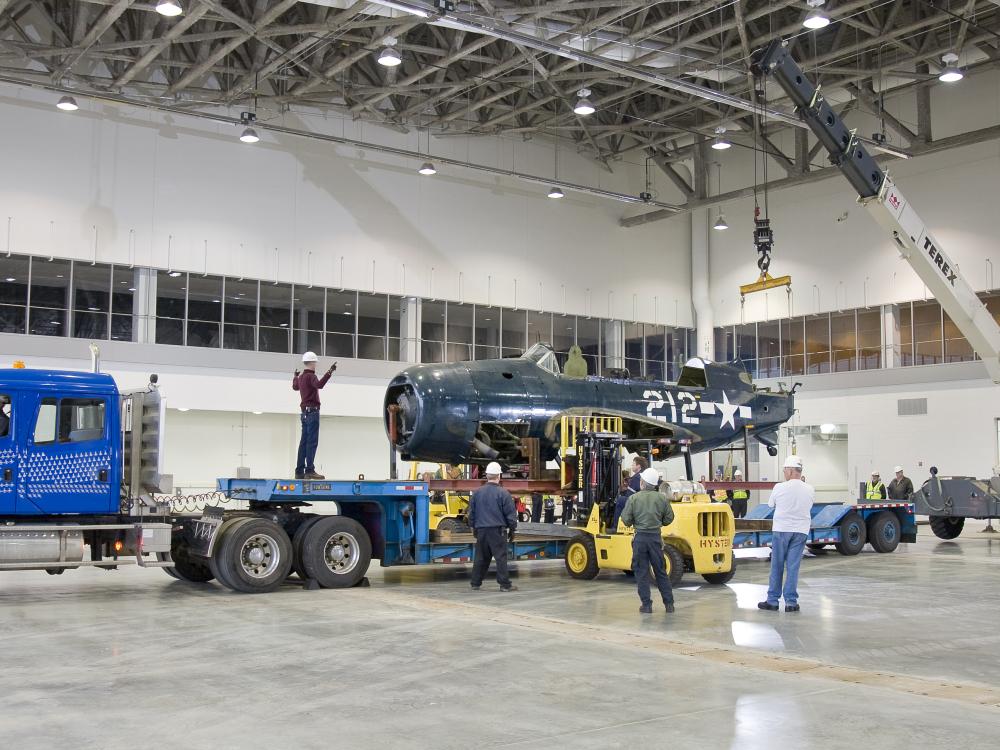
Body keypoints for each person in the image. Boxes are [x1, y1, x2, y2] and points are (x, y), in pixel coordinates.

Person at [758, 455, 815, 613]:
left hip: (782, 529)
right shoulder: (809, 488)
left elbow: (771, 505)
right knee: (793, 566)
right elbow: (809, 506)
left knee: (777, 565)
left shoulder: (779, 487)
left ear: (790, 471)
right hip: (801, 531)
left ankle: (772, 601)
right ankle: (791, 602)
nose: (784, 473)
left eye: (784, 470)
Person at [621, 467, 675, 614]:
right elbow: (669, 518)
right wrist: (658, 522)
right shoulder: (662, 498)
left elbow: (626, 520)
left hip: (640, 539)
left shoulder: (633, 498)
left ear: (643, 483)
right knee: (660, 571)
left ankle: (647, 605)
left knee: (642, 572)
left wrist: (635, 521)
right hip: (655, 538)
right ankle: (669, 604)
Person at [468, 461, 518, 592]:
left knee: (480, 558)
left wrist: (473, 528)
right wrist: (513, 529)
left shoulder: (477, 493)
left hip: (481, 530)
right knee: (501, 558)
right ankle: (504, 585)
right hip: (497, 531)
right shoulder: (503, 493)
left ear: (487, 476)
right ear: (499, 476)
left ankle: (475, 583)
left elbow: (471, 513)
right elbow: (510, 514)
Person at [292, 351, 335, 479]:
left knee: (303, 442)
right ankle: (310, 470)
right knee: (312, 442)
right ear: (311, 363)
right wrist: (329, 373)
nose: (315, 365)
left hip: (304, 413)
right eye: (315, 362)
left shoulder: (300, 378)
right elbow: (319, 385)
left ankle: (299, 471)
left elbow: (295, 387)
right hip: (312, 412)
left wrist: (295, 376)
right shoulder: (311, 376)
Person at [612, 456, 647, 529]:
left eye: (633, 464)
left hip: (638, 503)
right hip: (644, 501)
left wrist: (621, 493)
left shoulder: (636, 477)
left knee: (620, 500)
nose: (632, 466)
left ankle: (615, 527)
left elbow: (629, 495)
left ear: (638, 466)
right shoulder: (644, 475)